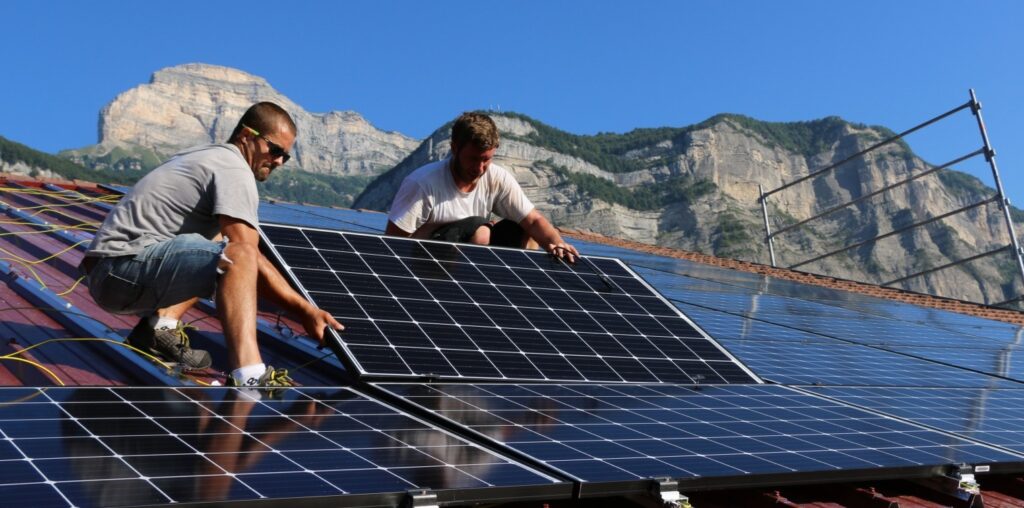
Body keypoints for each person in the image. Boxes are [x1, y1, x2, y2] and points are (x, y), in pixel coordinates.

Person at [81, 102, 343, 387]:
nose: (279, 161)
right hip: (121, 269)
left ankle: (159, 328)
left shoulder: (210, 156)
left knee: (219, 239)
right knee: (238, 253)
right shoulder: (234, 169)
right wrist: (304, 310)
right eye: (275, 150)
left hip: (113, 270)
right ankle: (250, 373)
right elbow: (247, 255)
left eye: (286, 156)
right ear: (247, 135)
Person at [386, 112, 579, 262]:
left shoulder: (496, 178)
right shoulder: (423, 184)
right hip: (427, 262)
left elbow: (534, 220)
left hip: (471, 258)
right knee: (481, 229)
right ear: (454, 149)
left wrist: (558, 244)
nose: (479, 168)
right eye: (473, 159)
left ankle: (514, 286)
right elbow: (392, 245)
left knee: (525, 230)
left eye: (486, 160)